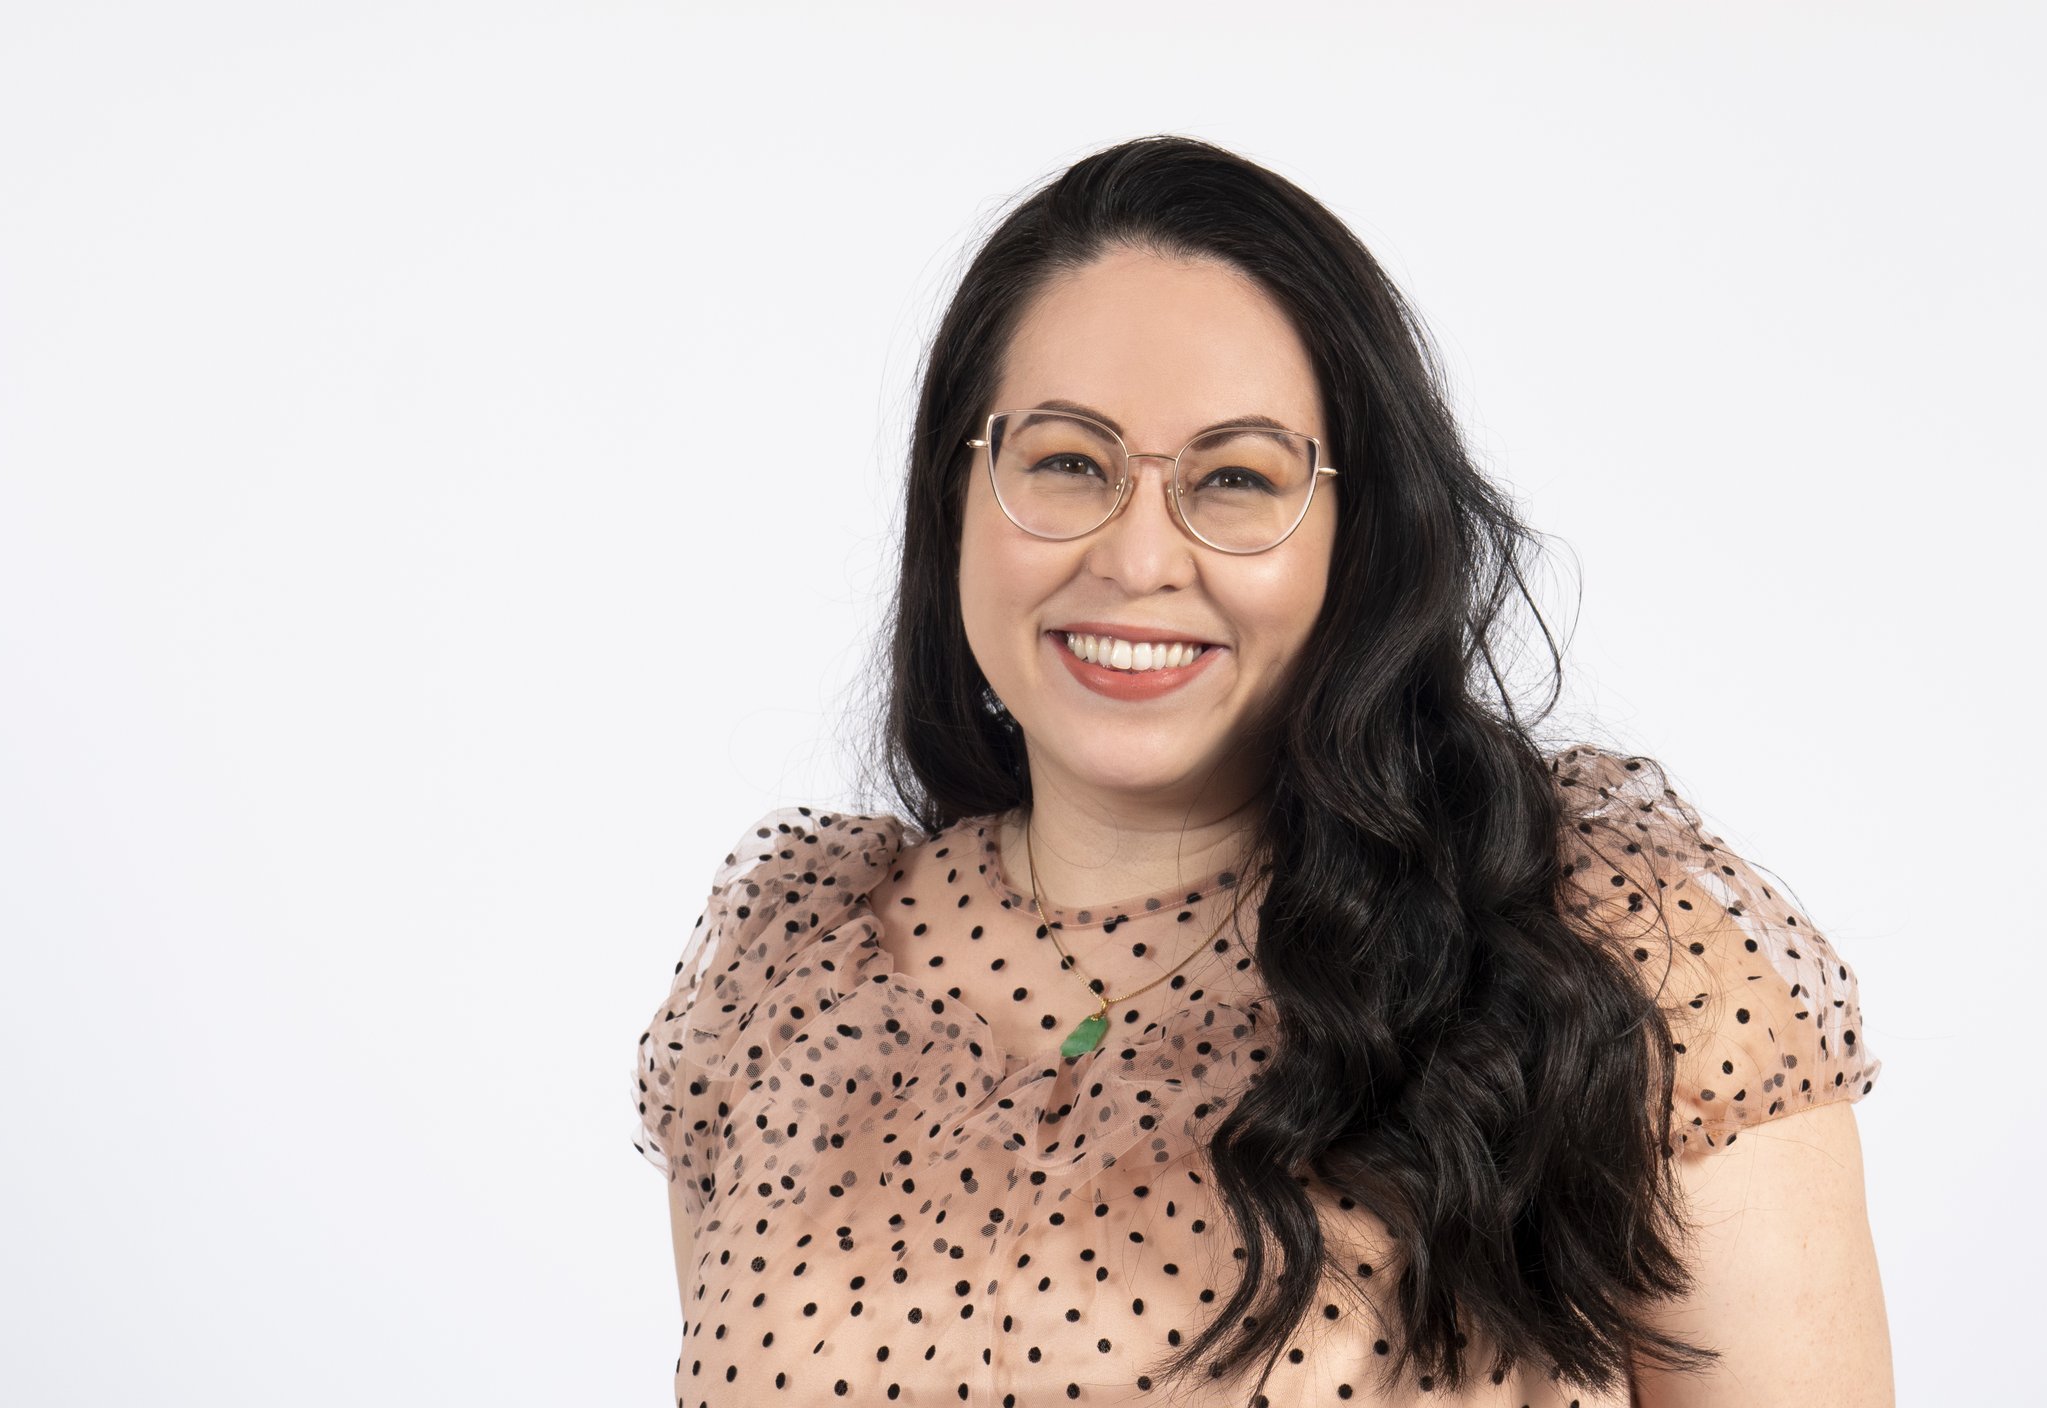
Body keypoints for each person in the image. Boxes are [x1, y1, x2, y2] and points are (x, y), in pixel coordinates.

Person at [631, 136, 1890, 1407]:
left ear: (1362, 536)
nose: (1135, 557)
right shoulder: (787, 986)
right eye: (1067, 460)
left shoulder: (1605, 952)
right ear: (957, 491)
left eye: (1236, 479)